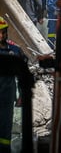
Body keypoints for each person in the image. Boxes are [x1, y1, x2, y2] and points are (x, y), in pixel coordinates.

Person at [0, 16, 27, 153]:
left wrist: (22, 94)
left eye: (3, 32)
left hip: (7, 96)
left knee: (5, 127)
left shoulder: (15, 50)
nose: (1, 35)